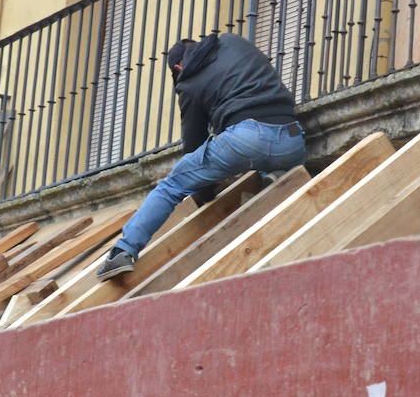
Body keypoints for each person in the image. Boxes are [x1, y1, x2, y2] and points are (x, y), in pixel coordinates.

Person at [97, 32, 306, 278]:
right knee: (264, 155)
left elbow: (194, 144)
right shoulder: (232, 40)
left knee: (171, 186)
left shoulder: (189, 82)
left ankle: (122, 251)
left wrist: (204, 194)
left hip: (244, 139)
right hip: (293, 140)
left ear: (178, 67)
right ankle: (274, 176)